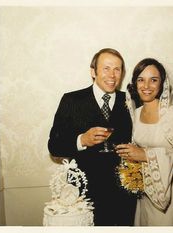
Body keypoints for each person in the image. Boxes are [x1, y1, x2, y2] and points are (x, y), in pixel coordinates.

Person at [48, 48, 137, 226]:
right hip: (83, 195)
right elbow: (54, 146)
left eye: (117, 69)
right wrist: (82, 140)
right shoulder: (71, 100)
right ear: (93, 71)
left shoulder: (131, 100)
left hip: (123, 195)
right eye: (106, 68)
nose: (112, 75)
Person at [116, 58, 173, 226]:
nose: (147, 86)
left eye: (153, 80)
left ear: (162, 84)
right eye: (141, 80)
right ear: (134, 84)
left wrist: (144, 155)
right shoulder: (134, 114)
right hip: (147, 193)